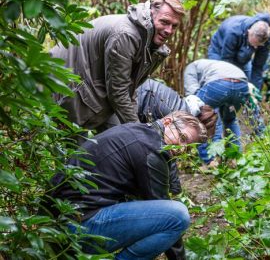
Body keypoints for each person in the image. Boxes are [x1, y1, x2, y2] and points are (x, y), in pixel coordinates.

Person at [48, 111, 208, 260]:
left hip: (55, 222)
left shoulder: (137, 132)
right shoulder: (153, 151)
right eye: (182, 138)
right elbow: (165, 212)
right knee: (178, 216)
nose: (182, 149)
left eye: (187, 147)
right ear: (167, 122)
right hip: (76, 229)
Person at [51, 0, 185, 130]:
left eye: (174, 26)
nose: (169, 30)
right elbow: (118, 91)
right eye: (164, 22)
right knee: (78, 147)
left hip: (92, 87)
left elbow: (129, 88)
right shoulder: (126, 35)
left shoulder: (151, 41)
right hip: (64, 84)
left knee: (120, 137)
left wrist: (136, 129)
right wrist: (139, 132)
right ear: (151, 13)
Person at [207, 13, 270, 136]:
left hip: (243, 57)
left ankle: (261, 135)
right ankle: (218, 131)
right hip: (219, 54)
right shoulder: (233, 31)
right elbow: (226, 65)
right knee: (224, 88)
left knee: (249, 95)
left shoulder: (265, 39)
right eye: (253, 44)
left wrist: (253, 91)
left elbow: (258, 68)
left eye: (256, 46)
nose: (254, 47)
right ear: (249, 32)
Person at [184, 59, 250, 165]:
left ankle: (210, 160)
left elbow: (193, 96)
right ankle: (235, 158)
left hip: (219, 84)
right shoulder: (214, 64)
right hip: (241, 85)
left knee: (201, 118)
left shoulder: (191, 67)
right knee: (230, 119)